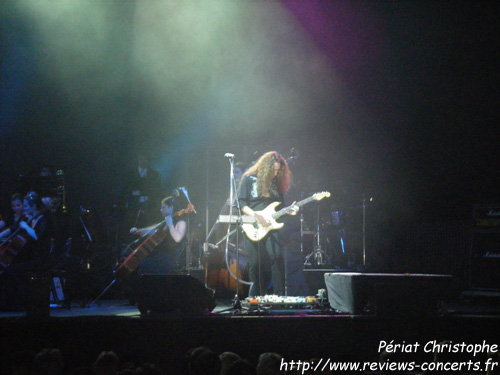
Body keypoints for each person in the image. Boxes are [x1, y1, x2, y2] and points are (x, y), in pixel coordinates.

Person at [237, 151, 298, 297]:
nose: (276, 173)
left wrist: (288, 211)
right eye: (273, 170)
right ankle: (256, 297)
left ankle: (279, 295)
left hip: (271, 225)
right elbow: (240, 203)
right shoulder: (248, 179)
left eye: (278, 170)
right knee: (256, 262)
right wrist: (255, 215)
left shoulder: (276, 184)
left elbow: (279, 207)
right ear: (265, 168)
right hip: (252, 224)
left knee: (277, 256)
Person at [0, 193, 54, 311]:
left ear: (34, 206)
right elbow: (12, 229)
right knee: (10, 270)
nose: (23, 208)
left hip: (41, 260)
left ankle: (19, 304)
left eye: (25, 206)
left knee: (11, 271)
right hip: (32, 259)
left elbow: (37, 237)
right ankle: (10, 304)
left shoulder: (43, 219)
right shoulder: (33, 219)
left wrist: (25, 226)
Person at [129, 196, 187, 275]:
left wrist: (170, 225)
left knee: (143, 264)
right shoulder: (165, 222)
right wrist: (138, 230)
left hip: (169, 257)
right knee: (141, 263)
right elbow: (152, 231)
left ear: (171, 207)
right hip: (160, 254)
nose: (161, 210)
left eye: (163, 207)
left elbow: (178, 238)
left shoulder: (181, 222)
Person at [122, 152, 163, 231]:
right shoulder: (130, 174)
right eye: (140, 159)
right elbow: (127, 189)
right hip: (134, 206)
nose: (142, 161)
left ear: (147, 160)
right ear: (137, 160)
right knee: (133, 226)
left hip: (150, 207)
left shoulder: (154, 174)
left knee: (149, 226)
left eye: (144, 159)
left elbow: (158, 190)